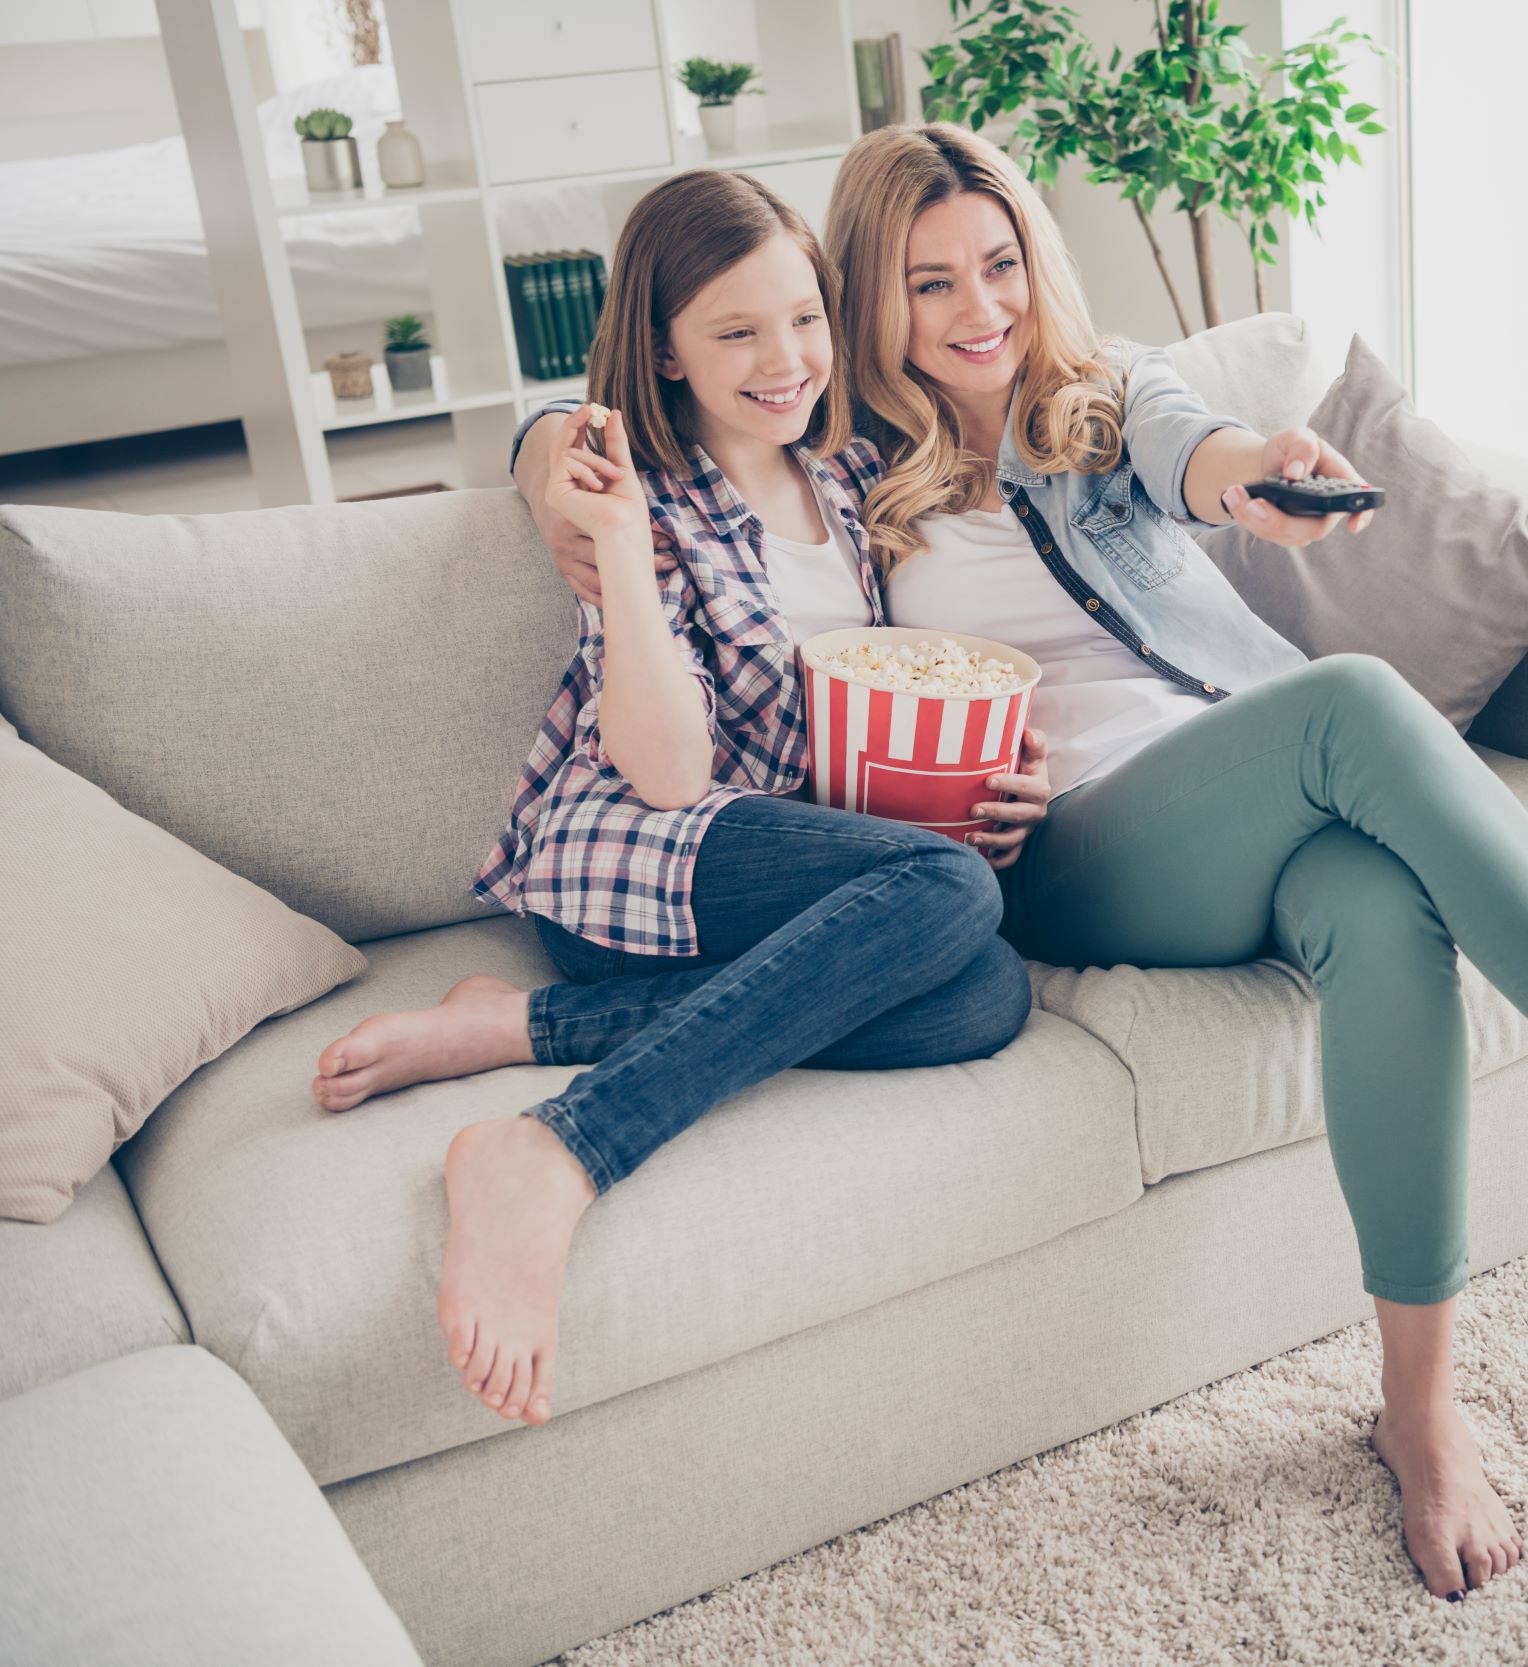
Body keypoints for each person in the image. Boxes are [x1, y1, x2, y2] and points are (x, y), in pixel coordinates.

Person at [513, 124, 1528, 1604]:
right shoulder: (845, 453)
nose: (980, 310)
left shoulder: (1103, 397)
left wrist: (1257, 478)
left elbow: (1200, 454)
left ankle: (1420, 1410)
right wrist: (539, 462)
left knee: (1380, 904)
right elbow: (641, 408)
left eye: (1002, 264)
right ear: (868, 303)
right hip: (1069, 850)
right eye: (930, 282)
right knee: (1347, 701)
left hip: (1231, 794)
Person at [309, 169, 1045, 1433]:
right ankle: (555, 1146)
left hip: (776, 867)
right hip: (636, 858)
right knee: (945, 890)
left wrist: (1002, 770)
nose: (786, 359)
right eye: (736, 331)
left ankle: (525, 1025)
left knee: (988, 993)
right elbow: (666, 774)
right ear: (662, 349)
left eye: (805, 317)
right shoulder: (644, 502)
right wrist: (616, 542)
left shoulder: (858, 465)